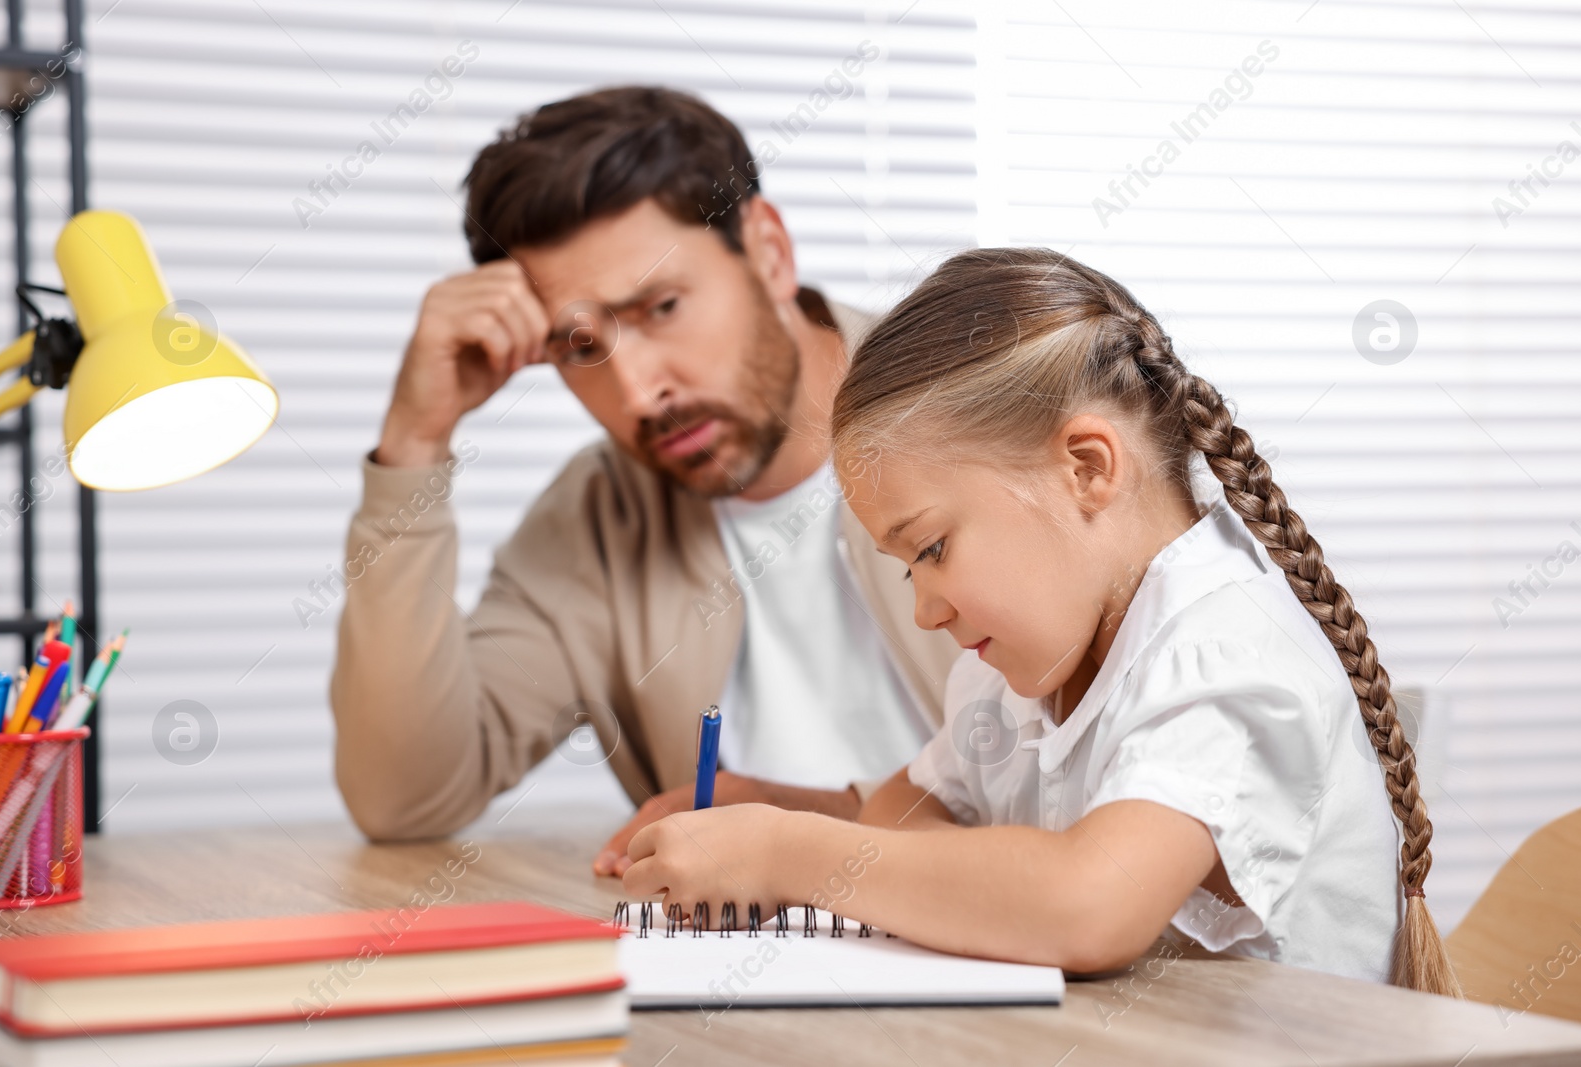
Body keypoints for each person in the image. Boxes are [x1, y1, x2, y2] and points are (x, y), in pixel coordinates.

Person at [621, 248, 1463, 995]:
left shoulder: (1224, 654)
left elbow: (1087, 907)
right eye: (906, 566)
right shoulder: (1014, 672)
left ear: (1087, 468)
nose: (925, 606)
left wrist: (788, 854)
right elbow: (903, 810)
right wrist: (795, 823)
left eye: (935, 546)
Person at [329, 86, 958, 874]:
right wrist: (413, 445)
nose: (635, 393)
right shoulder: (596, 519)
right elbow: (403, 795)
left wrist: (823, 822)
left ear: (768, 250)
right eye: (579, 346)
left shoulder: (983, 413)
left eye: (661, 306)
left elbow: (1117, 796)